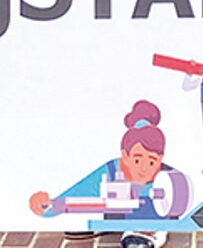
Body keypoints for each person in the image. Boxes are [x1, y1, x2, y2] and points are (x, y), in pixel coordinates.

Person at [28, 99, 182, 248]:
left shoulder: (168, 177)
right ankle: (113, 223)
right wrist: (49, 206)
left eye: (152, 161)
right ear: (125, 155)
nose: (143, 168)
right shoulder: (112, 169)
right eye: (137, 160)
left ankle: (150, 230)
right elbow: (82, 190)